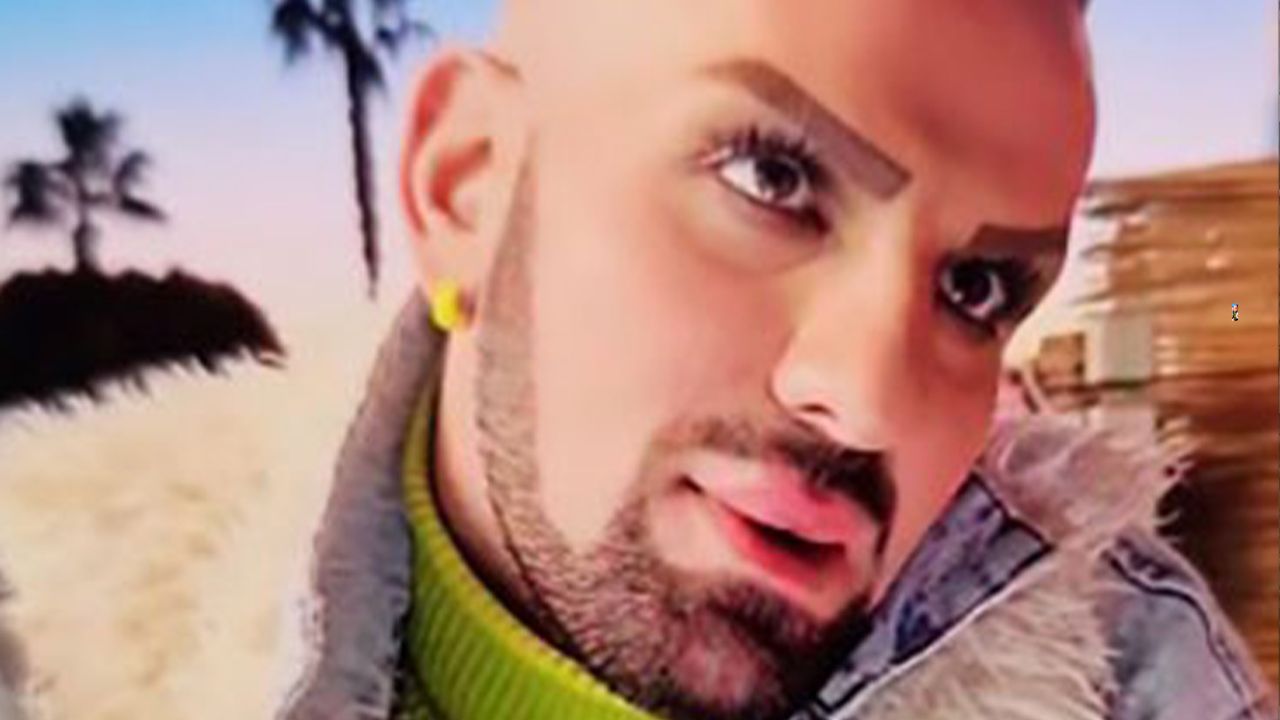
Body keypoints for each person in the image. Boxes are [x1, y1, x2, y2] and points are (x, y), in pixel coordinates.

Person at [0, 1, 1272, 719]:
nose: (869, 397)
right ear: (466, 187)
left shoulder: (1131, 687)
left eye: (974, 289)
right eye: (772, 178)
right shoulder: (51, 649)